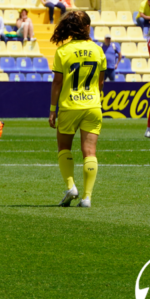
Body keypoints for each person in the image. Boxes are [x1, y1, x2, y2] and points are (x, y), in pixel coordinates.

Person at [49, 11, 106, 208]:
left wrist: (52, 109)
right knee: (89, 152)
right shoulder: (98, 50)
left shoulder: (63, 51)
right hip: (93, 105)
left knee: (64, 148)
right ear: (87, 28)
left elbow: (57, 82)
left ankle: (71, 187)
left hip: (69, 106)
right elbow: (100, 83)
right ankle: (87, 198)